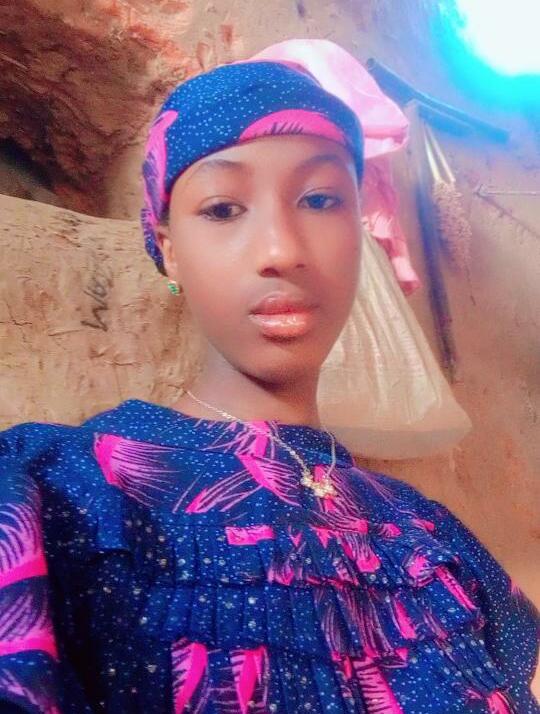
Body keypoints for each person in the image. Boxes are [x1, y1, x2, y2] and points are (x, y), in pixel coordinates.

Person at [0, 46, 538, 714]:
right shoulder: (60, 496)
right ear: (167, 247)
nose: (282, 250)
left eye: (320, 199)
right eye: (224, 209)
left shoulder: (432, 542)